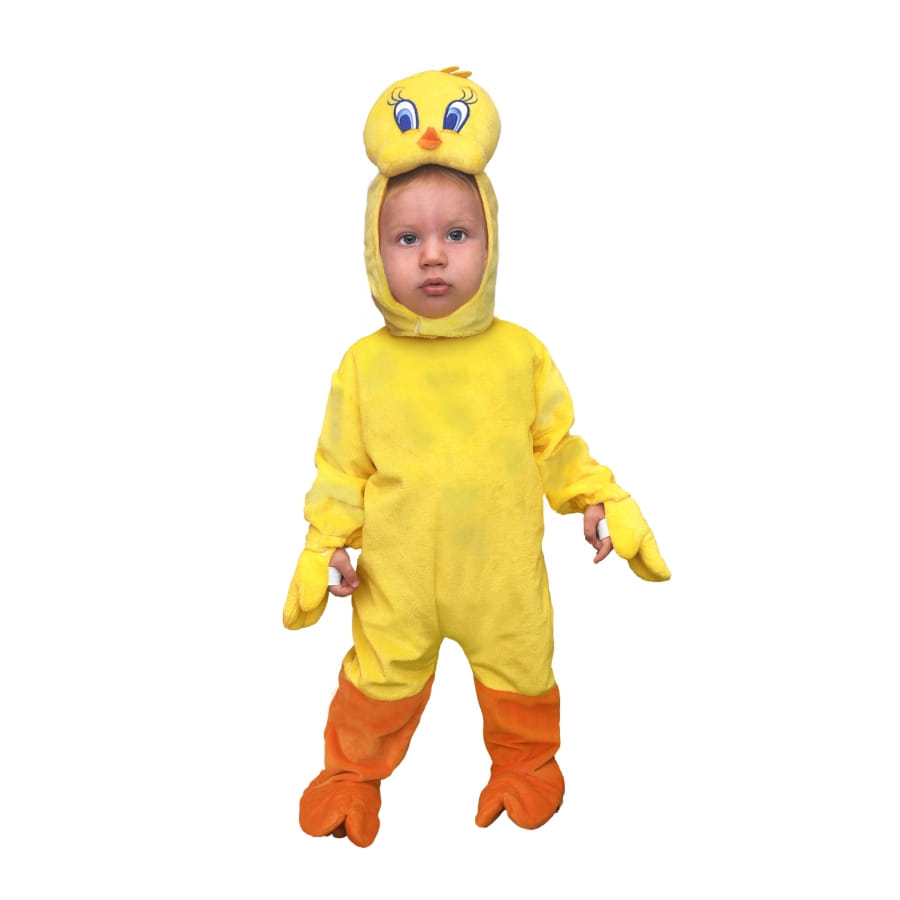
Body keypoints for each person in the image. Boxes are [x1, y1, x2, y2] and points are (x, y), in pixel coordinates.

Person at [283, 68, 670, 848]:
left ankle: (525, 766)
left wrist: (595, 498)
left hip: (502, 581)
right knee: (376, 679)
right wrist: (328, 547)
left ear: (490, 242)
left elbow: (555, 445)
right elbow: (342, 468)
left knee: (521, 672)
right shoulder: (363, 365)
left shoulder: (519, 353)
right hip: (394, 585)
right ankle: (351, 775)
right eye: (407, 239)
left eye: (456, 235)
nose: (433, 257)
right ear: (374, 252)